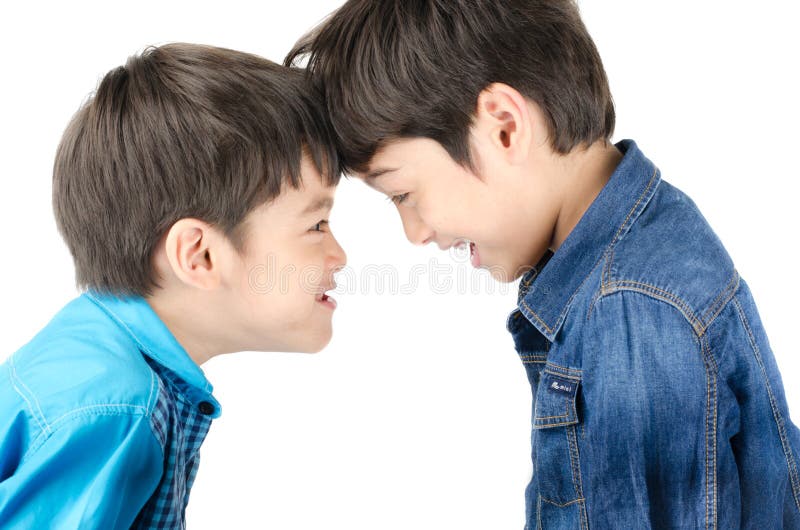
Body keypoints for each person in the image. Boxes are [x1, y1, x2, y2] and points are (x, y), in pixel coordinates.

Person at [286, 1, 800, 527]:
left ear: (505, 127)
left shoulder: (629, 309)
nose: (416, 233)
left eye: (403, 193)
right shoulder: (633, 253)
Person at [0, 43, 346, 528]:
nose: (339, 256)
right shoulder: (117, 409)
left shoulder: (97, 357)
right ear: (199, 255)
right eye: (317, 225)